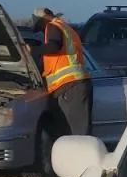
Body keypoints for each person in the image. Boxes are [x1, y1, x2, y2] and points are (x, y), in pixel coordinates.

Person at [32, 7, 91, 136]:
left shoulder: (53, 26)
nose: (42, 29)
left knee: (75, 132)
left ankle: (79, 155)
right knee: (76, 130)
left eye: (40, 23)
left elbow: (54, 46)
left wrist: (32, 51)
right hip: (73, 84)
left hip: (70, 85)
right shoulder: (66, 27)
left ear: (45, 17)